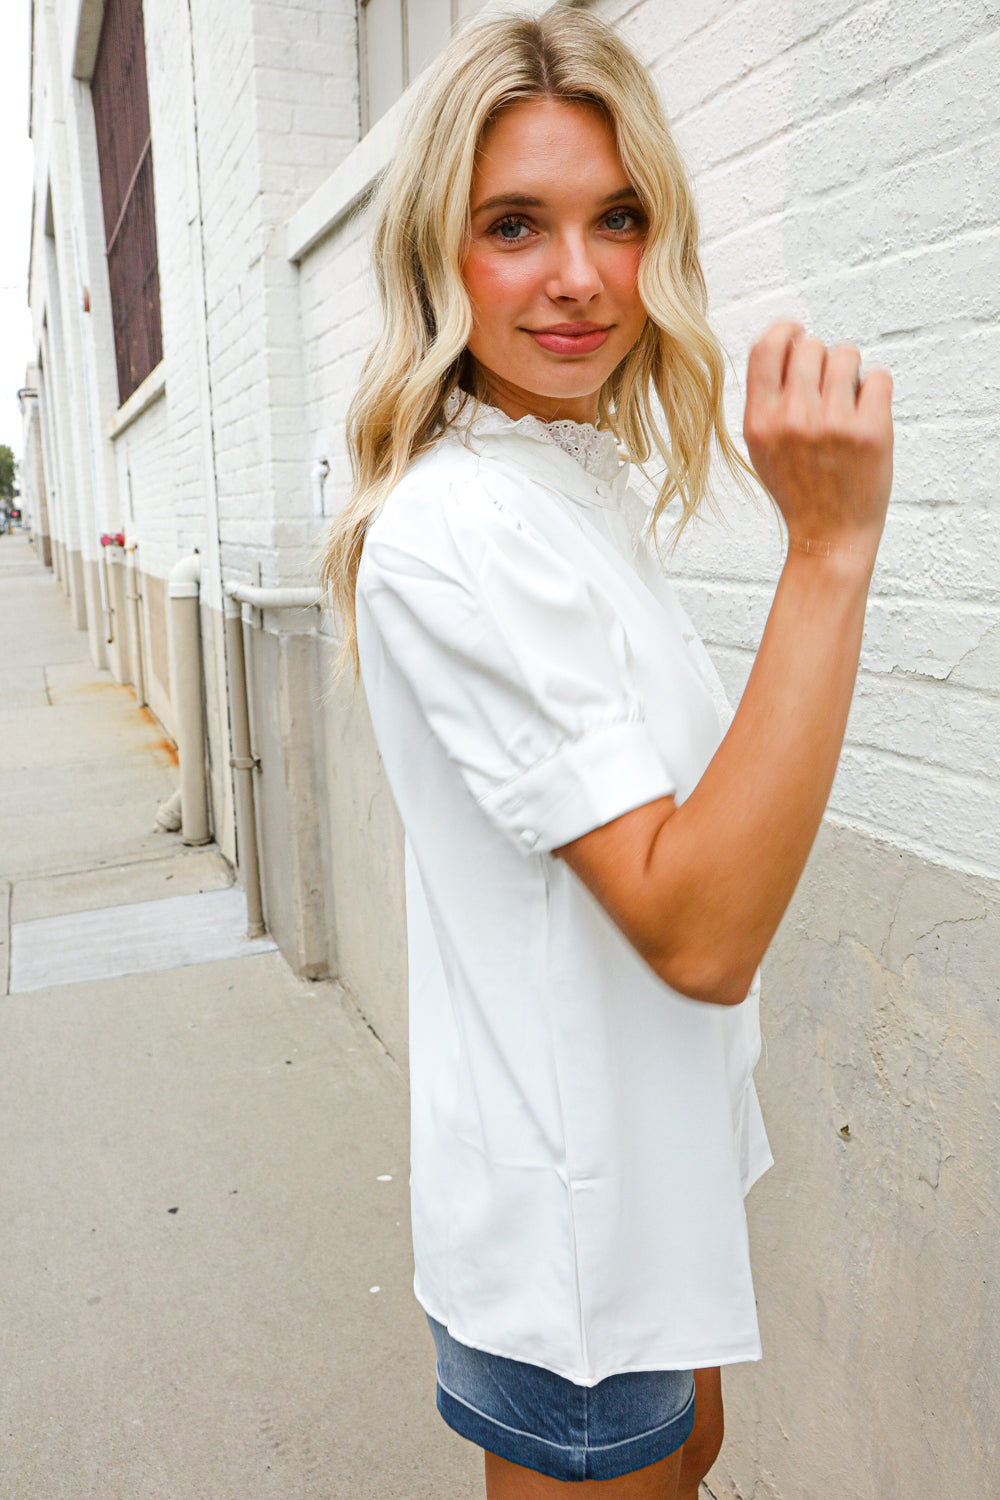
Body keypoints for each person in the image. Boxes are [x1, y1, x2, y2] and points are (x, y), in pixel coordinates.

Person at [323, 9, 893, 1497]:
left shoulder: (562, 484)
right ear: (439, 253)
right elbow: (698, 925)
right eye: (517, 224)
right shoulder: (458, 532)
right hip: (571, 1230)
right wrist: (828, 556)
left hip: (643, 1176)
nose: (579, 275)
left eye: (617, 218)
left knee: (694, 1447)